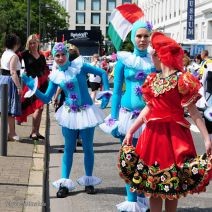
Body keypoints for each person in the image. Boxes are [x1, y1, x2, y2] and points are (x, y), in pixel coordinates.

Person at [120, 32, 212, 212]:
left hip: (174, 138)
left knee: (173, 185)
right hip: (153, 136)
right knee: (153, 186)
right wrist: (131, 131)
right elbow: (148, 109)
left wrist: (206, 138)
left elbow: (194, 113)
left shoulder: (182, 79)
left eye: (153, 54)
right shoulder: (153, 80)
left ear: (160, 56)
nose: (151, 58)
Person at [21, 42, 111, 198]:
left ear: (68, 55)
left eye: (63, 54)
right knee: (68, 149)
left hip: (87, 112)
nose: (61, 58)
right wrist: (32, 88)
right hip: (69, 113)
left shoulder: (80, 66)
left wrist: (106, 93)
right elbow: (47, 97)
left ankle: (88, 181)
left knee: (88, 148)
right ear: (53, 57)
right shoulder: (55, 76)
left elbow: (102, 73)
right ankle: (64, 183)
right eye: (57, 55)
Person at [100, 20, 156, 212]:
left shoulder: (155, 61)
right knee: (129, 159)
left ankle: (140, 201)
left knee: (145, 161)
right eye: (138, 36)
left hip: (149, 118)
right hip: (127, 117)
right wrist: (113, 118)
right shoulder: (123, 60)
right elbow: (116, 92)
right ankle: (131, 202)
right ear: (133, 38)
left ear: (150, 37)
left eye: (145, 36)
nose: (142, 40)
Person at [16, 34, 50, 140]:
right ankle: (33, 132)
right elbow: (13, 57)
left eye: (34, 43)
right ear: (28, 44)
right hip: (32, 84)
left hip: (43, 84)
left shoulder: (41, 55)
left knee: (40, 109)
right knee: (37, 107)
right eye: (30, 43)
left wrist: (47, 79)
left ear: (37, 43)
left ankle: (36, 132)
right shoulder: (25, 54)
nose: (32, 45)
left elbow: (45, 69)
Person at [0, 33, 22, 141]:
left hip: (3, 79)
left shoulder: (4, 53)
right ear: (15, 44)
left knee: (5, 108)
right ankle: (11, 133)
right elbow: (13, 72)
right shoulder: (14, 55)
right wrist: (19, 87)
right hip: (10, 81)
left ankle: (8, 133)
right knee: (10, 109)